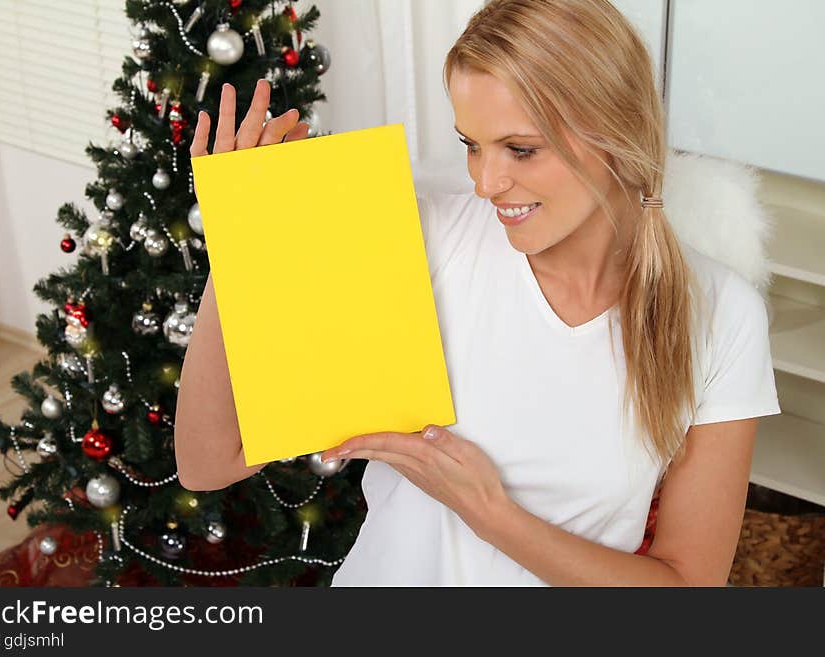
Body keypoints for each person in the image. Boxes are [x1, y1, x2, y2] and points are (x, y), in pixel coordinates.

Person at [177, 0, 780, 586]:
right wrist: (242, 244)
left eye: (521, 149)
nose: (486, 182)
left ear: (616, 133)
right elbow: (207, 462)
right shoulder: (415, 242)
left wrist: (490, 512)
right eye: (471, 144)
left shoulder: (721, 316)